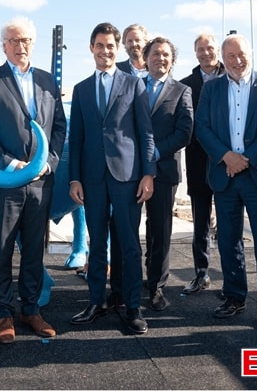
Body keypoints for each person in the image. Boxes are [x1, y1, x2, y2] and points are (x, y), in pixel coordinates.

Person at [0, 16, 66, 344]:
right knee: (1, 248)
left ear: (33, 44)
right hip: (6, 179)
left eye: (25, 40)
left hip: (40, 181)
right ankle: (3, 313)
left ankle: (31, 309)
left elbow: (59, 128)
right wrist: (9, 163)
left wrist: (49, 164)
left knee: (35, 250)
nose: (20, 46)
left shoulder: (47, 81)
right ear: (4, 46)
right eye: (14, 40)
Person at [68, 22, 156, 335]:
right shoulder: (81, 89)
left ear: (117, 49)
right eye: (100, 45)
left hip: (127, 177)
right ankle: (96, 302)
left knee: (130, 244)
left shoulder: (133, 84)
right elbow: (76, 138)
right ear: (91, 48)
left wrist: (148, 173)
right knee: (96, 244)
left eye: (110, 46)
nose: (105, 51)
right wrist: (74, 179)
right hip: (92, 178)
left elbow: (146, 132)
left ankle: (132, 307)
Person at [195, 34, 257, 331]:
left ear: (251, 53)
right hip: (225, 176)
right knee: (228, 241)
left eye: (241, 54)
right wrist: (227, 157)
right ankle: (235, 297)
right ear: (223, 58)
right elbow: (202, 127)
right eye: (230, 56)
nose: (237, 61)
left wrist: (247, 158)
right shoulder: (212, 88)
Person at [139, 37, 193, 312]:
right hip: (132, 170)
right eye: (155, 54)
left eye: (166, 55)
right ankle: (130, 281)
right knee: (127, 228)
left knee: (160, 231)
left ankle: (157, 286)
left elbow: (184, 132)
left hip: (164, 169)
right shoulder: (132, 86)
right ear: (145, 58)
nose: (160, 58)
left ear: (172, 61)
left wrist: (155, 153)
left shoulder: (182, 91)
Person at [180, 34, 225, 294]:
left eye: (210, 48)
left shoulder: (232, 78)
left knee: (229, 223)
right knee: (200, 222)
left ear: (217, 49)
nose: (206, 53)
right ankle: (201, 273)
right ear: (195, 52)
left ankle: (232, 278)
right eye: (201, 49)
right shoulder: (186, 85)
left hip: (227, 161)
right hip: (198, 161)